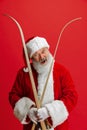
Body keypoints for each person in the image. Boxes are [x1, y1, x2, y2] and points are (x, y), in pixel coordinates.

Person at [9, 36, 78, 130]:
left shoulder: (61, 71)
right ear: (31, 58)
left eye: (43, 51)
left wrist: (49, 111)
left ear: (47, 49)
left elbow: (72, 96)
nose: (42, 57)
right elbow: (13, 95)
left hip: (58, 127)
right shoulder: (23, 74)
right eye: (36, 55)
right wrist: (28, 110)